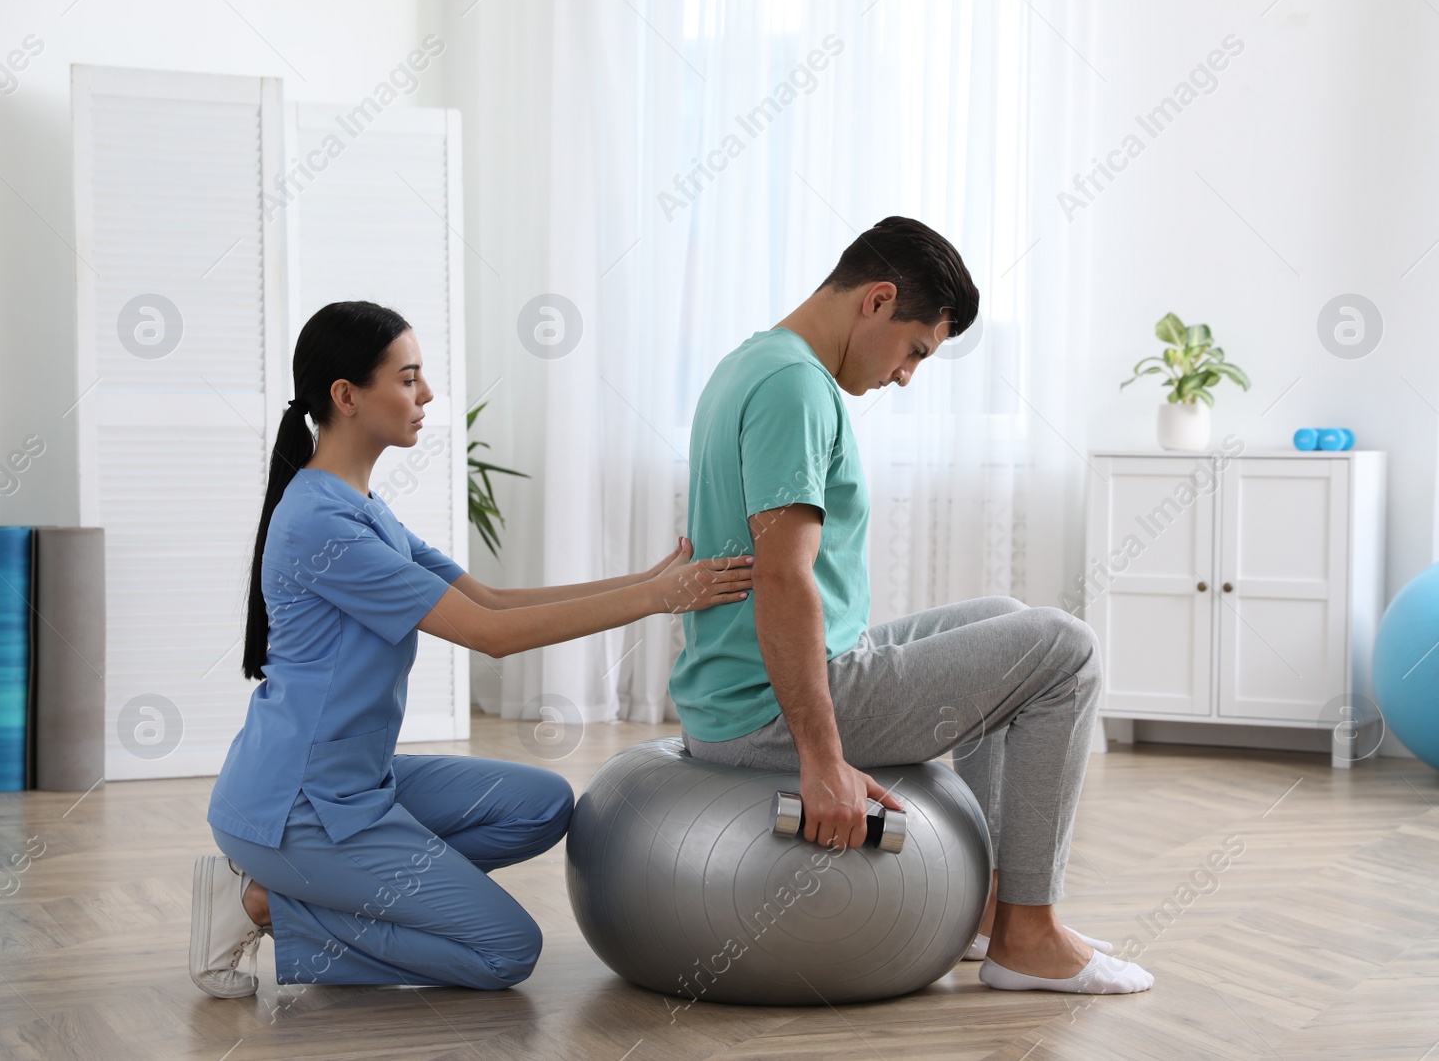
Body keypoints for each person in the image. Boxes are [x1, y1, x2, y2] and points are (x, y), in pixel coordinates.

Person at [192, 301, 754, 999]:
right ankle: (265, 903)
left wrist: (647, 579)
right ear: (346, 396)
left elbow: (491, 600)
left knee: (542, 803)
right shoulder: (320, 525)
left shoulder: (363, 508)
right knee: (504, 950)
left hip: (359, 780)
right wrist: (660, 599)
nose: (426, 396)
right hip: (297, 808)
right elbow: (491, 637)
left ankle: (332, 887)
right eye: (408, 378)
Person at [669, 217, 1153, 995]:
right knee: (1067, 648)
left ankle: (994, 914)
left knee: (1002, 613)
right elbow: (784, 579)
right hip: (762, 708)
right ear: (878, 300)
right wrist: (823, 760)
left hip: (737, 684)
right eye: (916, 351)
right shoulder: (795, 387)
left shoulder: (755, 362)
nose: (906, 377)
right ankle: (1028, 934)